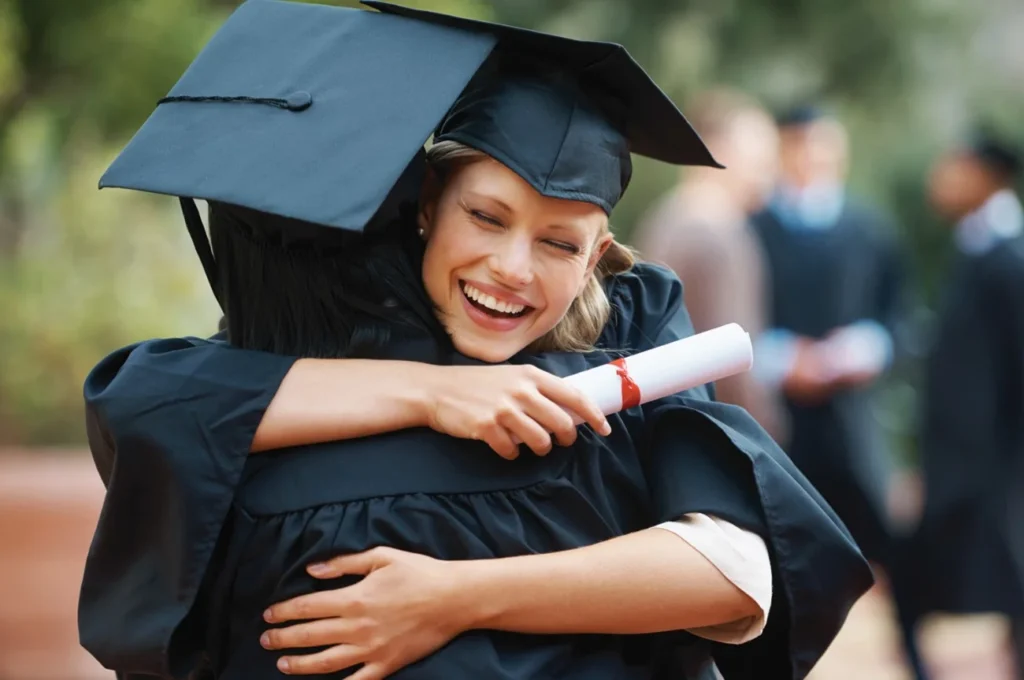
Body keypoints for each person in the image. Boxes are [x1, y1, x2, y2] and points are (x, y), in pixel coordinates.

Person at [78, 3, 873, 680]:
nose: (510, 269)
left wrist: (451, 596)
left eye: (560, 244)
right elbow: (151, 402)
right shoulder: (335, 336)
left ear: (599, 255)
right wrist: (439, 392)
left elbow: (735, 571)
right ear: (426, 205)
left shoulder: (634, 328)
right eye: (485, 217)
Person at [910, 131, 1024, 674]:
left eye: (953, 165)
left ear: (985, 174)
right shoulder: (976, 246)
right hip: (964, 457)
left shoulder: (1011, 258)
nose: (941, 178)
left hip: (997, 464)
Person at [633, 88, 784, 439]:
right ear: (719, 148)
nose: (770, 171)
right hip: (717, 431)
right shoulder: (714, 229)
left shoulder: (668, 215)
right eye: (760, 156)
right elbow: (733, 358)